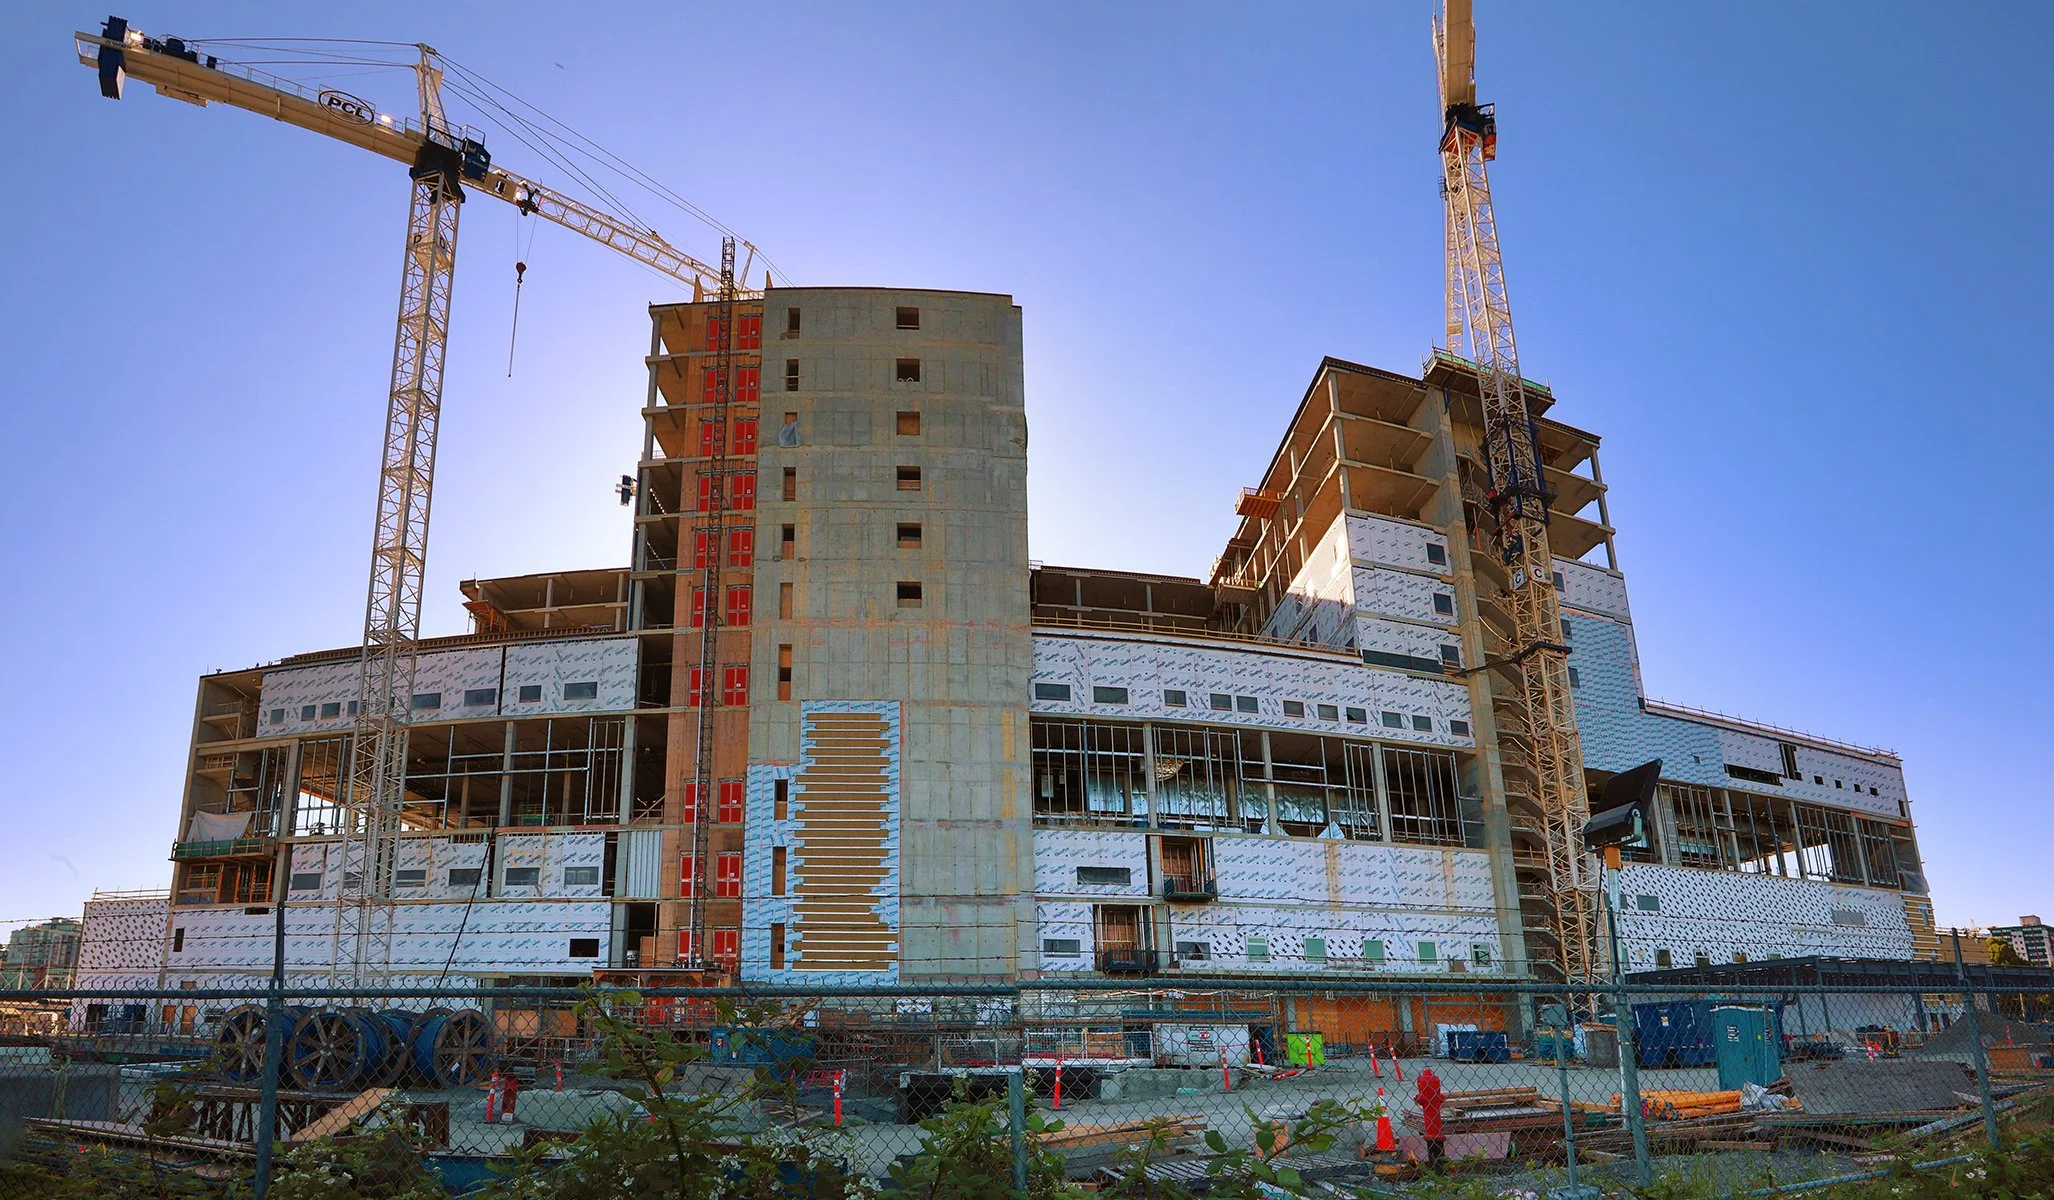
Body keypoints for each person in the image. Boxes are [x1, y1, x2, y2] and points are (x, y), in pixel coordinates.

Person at [1415, 1067, 1445, 1163]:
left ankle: (1436, 1169)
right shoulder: (1436, 1087)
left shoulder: (1423, 1092)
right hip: (1436, 1125)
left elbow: (1419, 1099)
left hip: (1430, 1128)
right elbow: (1441, 1097)